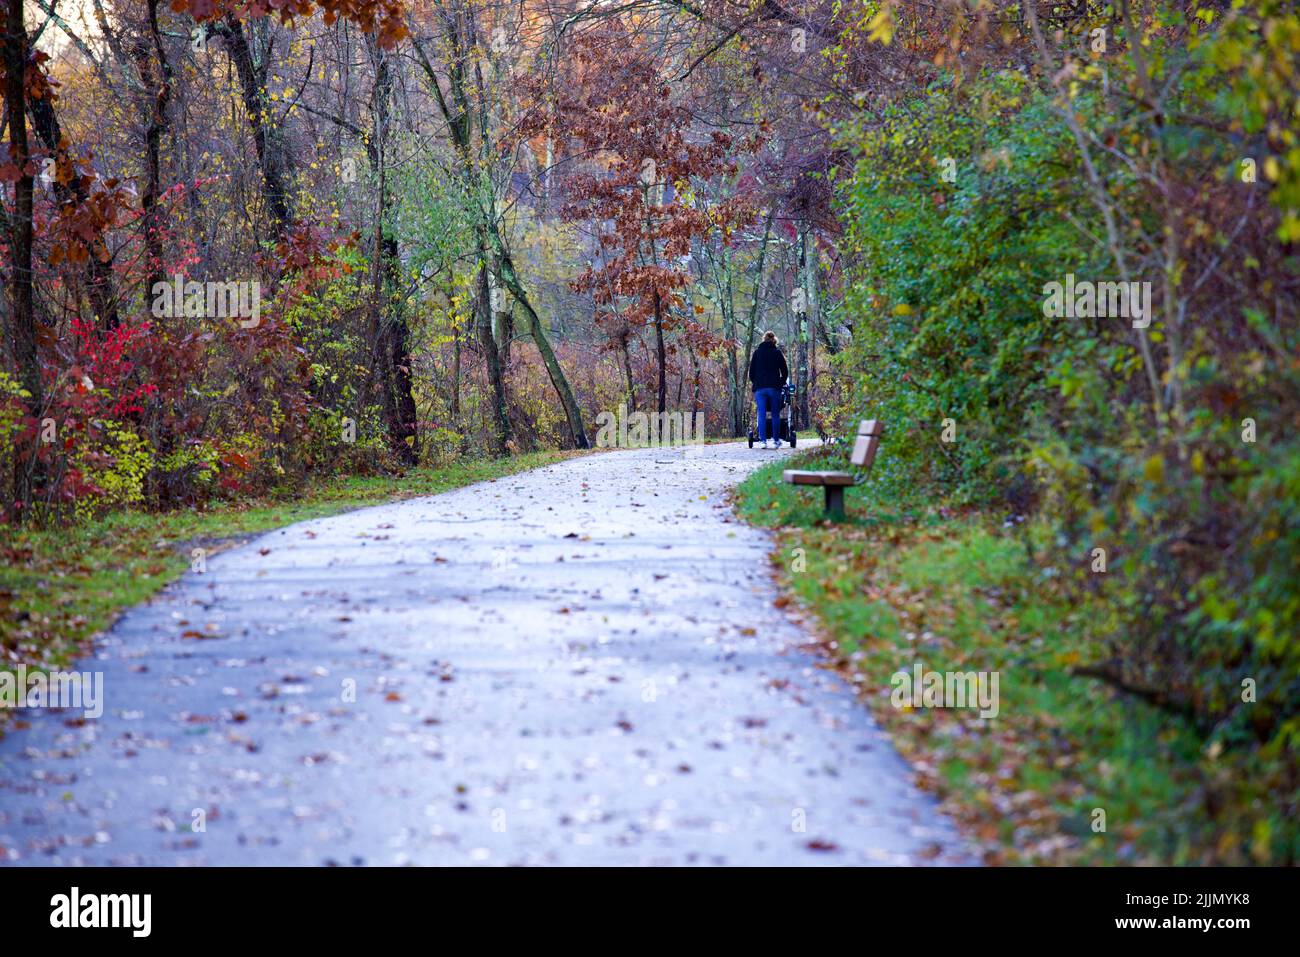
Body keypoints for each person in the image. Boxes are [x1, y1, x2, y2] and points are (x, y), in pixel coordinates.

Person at [748, 331, 789, 449]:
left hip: (760, 388)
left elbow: (751, 372)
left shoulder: (757, 353)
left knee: (761, 414)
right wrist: (780, 383)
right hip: (774, 388)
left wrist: (756, 383)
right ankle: (776, 440)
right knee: (775, 414)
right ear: (774, 340)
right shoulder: (777, 353)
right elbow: (785, 372)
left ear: (763, 339)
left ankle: (763, 441)